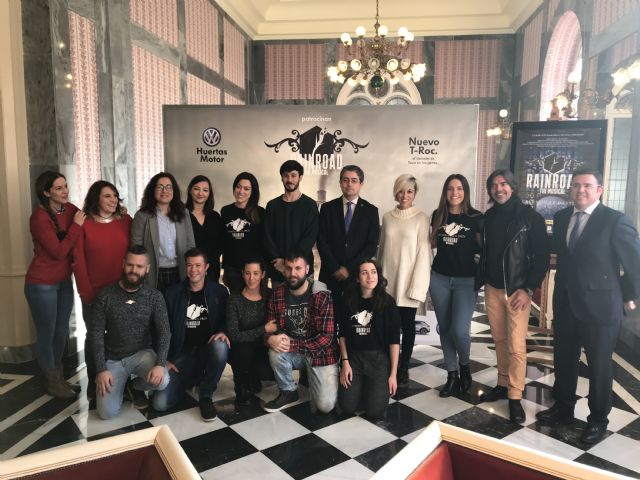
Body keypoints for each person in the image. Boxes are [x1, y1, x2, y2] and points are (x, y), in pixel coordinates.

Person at [536, 169, 640, 444]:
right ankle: (563, 407)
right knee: (563, 359)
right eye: (575, 185)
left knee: (599, 366)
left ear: (599, 190)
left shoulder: (615, 220)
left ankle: (598, 420)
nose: (580, 190)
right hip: (566, 303)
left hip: (601, 307)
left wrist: (629, 294)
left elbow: (634, 262)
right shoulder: (562, 217)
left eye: (587, 185)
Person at [478, 169, 549, 423]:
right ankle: (502, 383)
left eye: (504, 184)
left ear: (513, 186)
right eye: (494, 185)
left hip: (517, 291)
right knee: (499, 340)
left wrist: (528, 289)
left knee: (516, 346)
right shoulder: (488, 217)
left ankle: (515, 396)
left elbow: (542, 258)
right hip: (492, 288)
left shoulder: (530, 218)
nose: (499, 189)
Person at [25, 170, 86, 399]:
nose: (65, 191)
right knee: (47, 333)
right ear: (46, 192)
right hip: (41, 284)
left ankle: (58, 377)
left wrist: (118, 211)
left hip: (63, 282)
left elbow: (87, 216)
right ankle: (51, 380)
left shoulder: (68, 209)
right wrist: (76, 227)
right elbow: (59, 252)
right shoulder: (39, 218)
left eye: (65, 186)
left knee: (61, 331)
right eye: (59, 188)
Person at [92, 246, 170, 420]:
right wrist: (101, 369)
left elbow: (165, 332)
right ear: (123, 264)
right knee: (106, 413)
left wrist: (160, 363)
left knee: (163, 380)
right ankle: (121, 388)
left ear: (147, 269)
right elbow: (96, 334)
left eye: (139, 266)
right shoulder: (105, 295)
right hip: (113, 359)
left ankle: (135, 386)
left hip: (142, 355)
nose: (134, 270)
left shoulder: (154, 296)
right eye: (130, 265)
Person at [153, 248, 230, 421]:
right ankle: (192, 377)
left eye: (198, 265)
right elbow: (161, 329)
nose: (193, 270)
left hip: (208, 350)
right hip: (182, 354)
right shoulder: (171, 294)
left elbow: (227, 319)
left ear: (206, 267)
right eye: (189, 265)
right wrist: (164, 359)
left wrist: (222, 331)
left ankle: (206, 395)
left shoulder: (219, 292)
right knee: (160, 403)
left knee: (221, 346)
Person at [73, 180, 132, 398]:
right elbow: (78, 260)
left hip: (122, 291)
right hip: (94, 293)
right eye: (107, 196)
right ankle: (95, 384)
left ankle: (123, 384)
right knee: (95, 338)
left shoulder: (125, 221)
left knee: (121, 337)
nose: (113, 200)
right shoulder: (84, 223)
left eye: (115, 196)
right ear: (96, 198)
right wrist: (86, 292)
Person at [263, 250, 338, 413]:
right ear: (284, 270)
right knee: (275, 351)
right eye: (289, 268)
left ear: (307, 269)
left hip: (320, 354)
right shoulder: (277, 294)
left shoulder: (320, 295)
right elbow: (268, 329)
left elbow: (326, 338)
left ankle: (321, 375)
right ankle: (288, 391)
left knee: (325, 406)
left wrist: (293, 345)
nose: (293, 273)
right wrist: (269, 339)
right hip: (294, 352)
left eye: (298, 268)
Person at [429, 174, 483, 397]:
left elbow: (483, 249)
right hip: (439, 279)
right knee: (445, 328)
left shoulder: (476, 217)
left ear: (465, 191)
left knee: (459, 330)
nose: (455, 193)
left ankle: (464, 366)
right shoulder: (438, 215)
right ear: (445, 192)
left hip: (466, 280)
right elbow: (431, 243)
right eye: (450, 188)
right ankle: (451, 374)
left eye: (459, 188)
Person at [378, 174, 431, 385]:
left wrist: (416, 287)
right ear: (395, 192)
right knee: (388, 327)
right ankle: (389, 364)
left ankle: (403, 367)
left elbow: (423, 254)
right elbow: (382, 250)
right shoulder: (387, 217)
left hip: (409, 283)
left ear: (415, 194)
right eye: (401, 191)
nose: (405, 195)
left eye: (409, 191)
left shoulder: (422, 218)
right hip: (387, 283)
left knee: (408, 327)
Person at [338, 259, 400, 419]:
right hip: (354, 359)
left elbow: (394, 341)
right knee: (347, 407)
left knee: (375, 412)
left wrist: (393, 375)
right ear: (358, 278)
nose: (370, 276)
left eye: (373, 272)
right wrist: (345, 363)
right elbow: (342, 334)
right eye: (364, 273)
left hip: (378, 360)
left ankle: (369, 386)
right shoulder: (348, 300)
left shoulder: (388, 302)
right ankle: (362, 386)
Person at [317, 165, 379, 305]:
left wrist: (349, 269)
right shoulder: (327, 208)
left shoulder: (371, 211)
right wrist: (335, 268)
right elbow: (321, 240)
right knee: (328, 314)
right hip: (330, 274)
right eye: (345, 180)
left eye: (354, 180)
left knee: (354, 315)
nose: (349, 184)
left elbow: (371, 245)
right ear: (340, 183)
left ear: (361, 184)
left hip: (356, 276)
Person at [131, 172, 195, 291]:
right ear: (152, 190)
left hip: (180, 271)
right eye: (160, 187)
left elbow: (190, 244)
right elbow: (136, 248)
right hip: (153, 274)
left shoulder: (183, 213)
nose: (164, 190)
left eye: (169, 187)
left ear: (174, 191)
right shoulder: (142, 216)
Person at [227, 258, 276, 405]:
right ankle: (240, 386)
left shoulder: (270, 295)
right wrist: (263, 329)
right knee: (243, 351)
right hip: (241, 348)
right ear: (242, 274)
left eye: (255, 273)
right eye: (247, 273)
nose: (251, 278)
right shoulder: (234, 298)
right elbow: (234, 335)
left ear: (263, 274)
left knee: (266, 372)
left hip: (263, 345)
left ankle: (253, 376)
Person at [264, 160, 319, 285]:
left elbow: (310, 237)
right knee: (278, 298)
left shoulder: (310, 205)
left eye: (293, 175)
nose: (289, 180)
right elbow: (266, 237)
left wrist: (288, 263)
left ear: (300, 177)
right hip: (278, 269)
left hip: (302, 270)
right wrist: (279, 261)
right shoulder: (272, 206)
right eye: (286, 176)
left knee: (305, 299)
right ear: (281, 178)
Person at [220, 172, 266, 293]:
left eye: (246, 188)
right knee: (236, 302)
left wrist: (263, 270)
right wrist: (225, 270)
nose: (241, 191)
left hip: (253, 271)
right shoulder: (226, 211)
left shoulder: (260, 213)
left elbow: (264, 243)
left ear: (252, 192)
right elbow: (224, 242)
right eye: (238, 187)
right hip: (232, 269)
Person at [186, 175, 224, 282]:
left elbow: (221, 243)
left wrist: (206, 265)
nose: (200, 193)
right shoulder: (182, 215)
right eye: (196, 189)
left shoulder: (215, 216)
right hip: (190, 270)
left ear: (209, 193)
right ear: (190, 191)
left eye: (205, 190)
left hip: (211, 269)